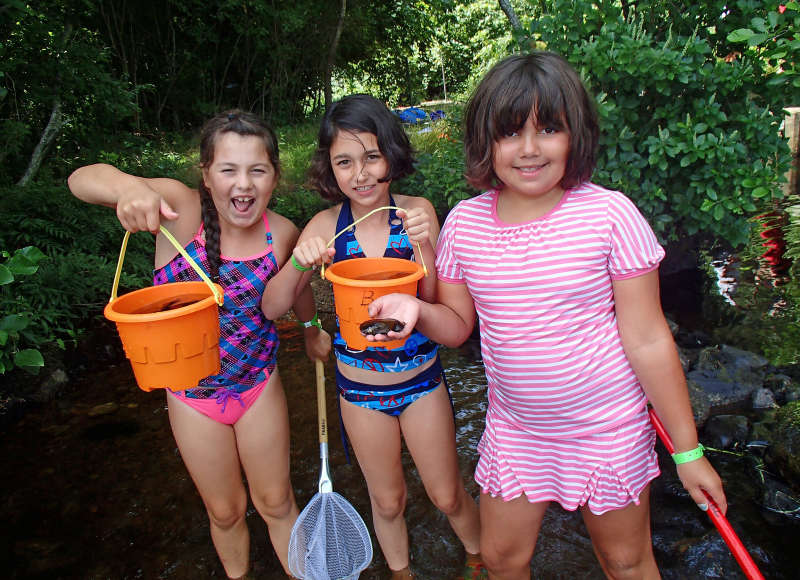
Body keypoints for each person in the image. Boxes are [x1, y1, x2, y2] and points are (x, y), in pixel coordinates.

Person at [364, 53, 728, 579]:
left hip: (609, 430)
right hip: (518, 431)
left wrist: (688, 451)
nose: (529, 149)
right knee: (502, 559)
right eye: (511, 133)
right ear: (485, 142)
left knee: (625, 562)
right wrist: (417, 309)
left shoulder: (609, 214)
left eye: (549, 129)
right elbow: (459, 327)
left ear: (574, 134)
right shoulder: (465, 225)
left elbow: (648, 339)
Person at [67, 110, 331, 580]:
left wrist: (311, 328)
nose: (242, 183)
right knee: (226, 512)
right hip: (191, 398)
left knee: (276, 501)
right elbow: (82, 179)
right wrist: (129, 189)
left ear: (274, 176)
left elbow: (296, 286)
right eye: (228, 169)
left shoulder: (283, 231)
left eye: (258, 169)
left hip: (257, 386)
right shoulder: (179, 209)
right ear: (206, 176)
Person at [261, 94, 485, 579]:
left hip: (422, 382)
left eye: (371, 157)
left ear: (391, 156)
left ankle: (478, 557)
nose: (360, 174)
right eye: (345, 161)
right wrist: (301, 261)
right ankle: (401, 573)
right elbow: (272, 307)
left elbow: (436, 301)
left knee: (445, 493)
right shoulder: (325, 226)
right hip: (359, 392)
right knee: (386, 502)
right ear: (330, 168)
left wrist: (426, 239)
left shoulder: (417, 211)